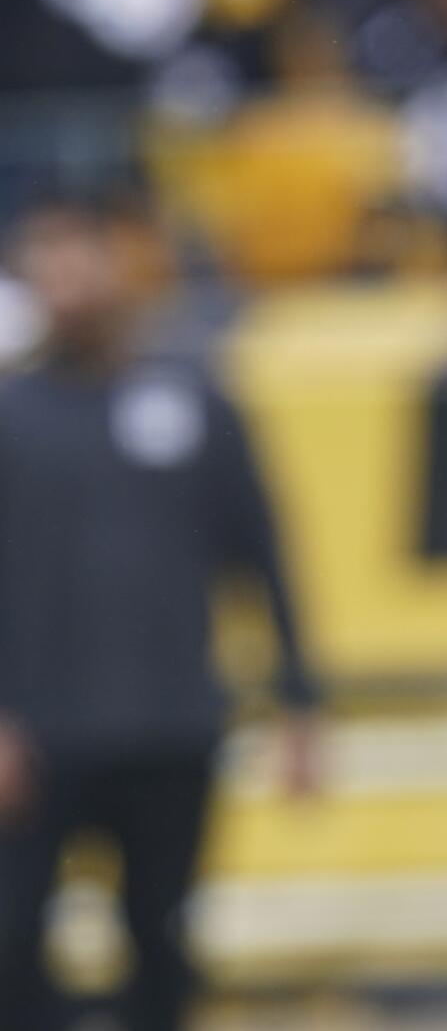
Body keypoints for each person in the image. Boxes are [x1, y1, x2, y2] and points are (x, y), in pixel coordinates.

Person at [0, 192, 320, 1031]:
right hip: (37, 738)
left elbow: (264, 551)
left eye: (83, 254)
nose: (67, 277)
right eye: (47, 258)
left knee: (164, 938)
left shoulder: (194, 401)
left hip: (170, 725)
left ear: (121, 263)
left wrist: (300, 702)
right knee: (14, 939)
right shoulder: (10, 415)